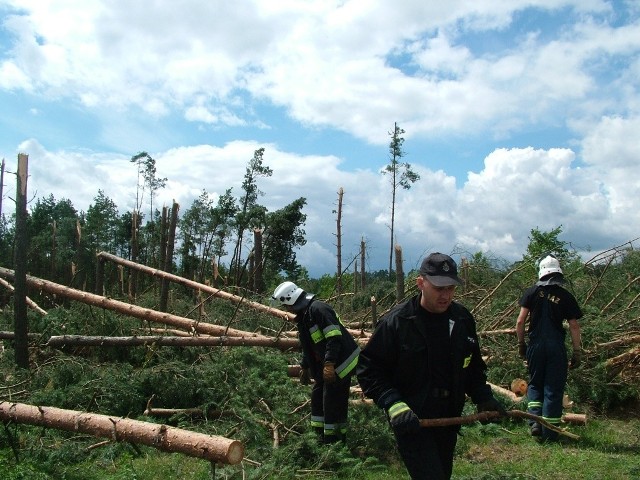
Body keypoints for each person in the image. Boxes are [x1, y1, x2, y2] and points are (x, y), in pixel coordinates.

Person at [356, 252, 506, 480]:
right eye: (439, 288)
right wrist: (394, 404)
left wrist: (483, 397)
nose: (446, 295)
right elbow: (369, 370)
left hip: (448, 416)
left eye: (450, 288)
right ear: (420, 284)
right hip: (413, 419)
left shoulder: (462, 319)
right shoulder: (398, 322)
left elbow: (472, 366)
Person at [272, 281, 360, 444]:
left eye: (285, 305)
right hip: (328, 365)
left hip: (342, 362)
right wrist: (305, 367)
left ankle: (335, 445)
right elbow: (308, 346)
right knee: (317, 398)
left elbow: (334, 337)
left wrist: (329, 364)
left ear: (291, 299)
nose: (287, 310)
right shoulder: (304, 318)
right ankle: (317, 440)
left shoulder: (319, 309)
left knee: (332, 402)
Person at [516, 254, 583, 442]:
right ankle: (551, 433)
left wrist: (521, 344)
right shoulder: (565, 296)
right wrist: (577, 351)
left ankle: (535, 422)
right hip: (555, 347)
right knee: (553, 387)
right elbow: (574, 325)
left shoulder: (531, 292)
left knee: (535, 383)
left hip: (535, 345)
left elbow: (520, 321)